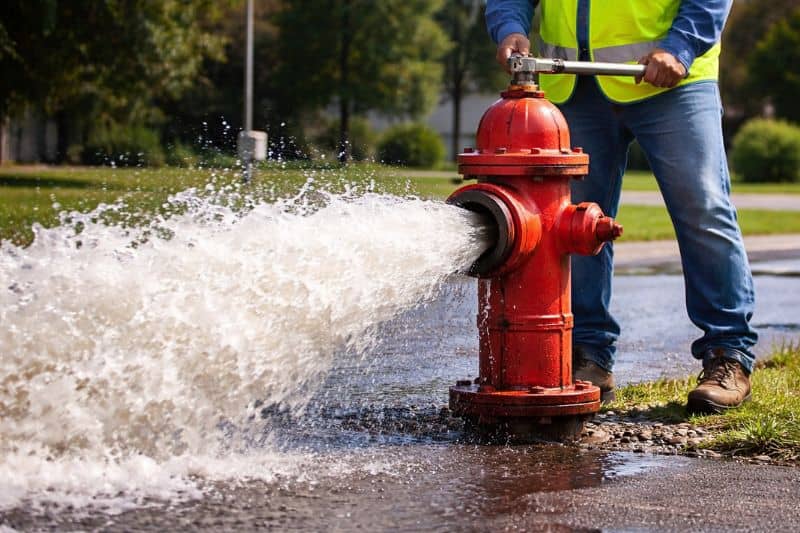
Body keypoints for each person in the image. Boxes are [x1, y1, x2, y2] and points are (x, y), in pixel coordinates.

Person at [486, 0, 757, 413]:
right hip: (575, 83)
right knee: (572, 224)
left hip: (674, 81)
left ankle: (728, 355)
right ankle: (589, 356)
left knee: (702, 209)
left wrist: (681, 47)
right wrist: (509, 28)